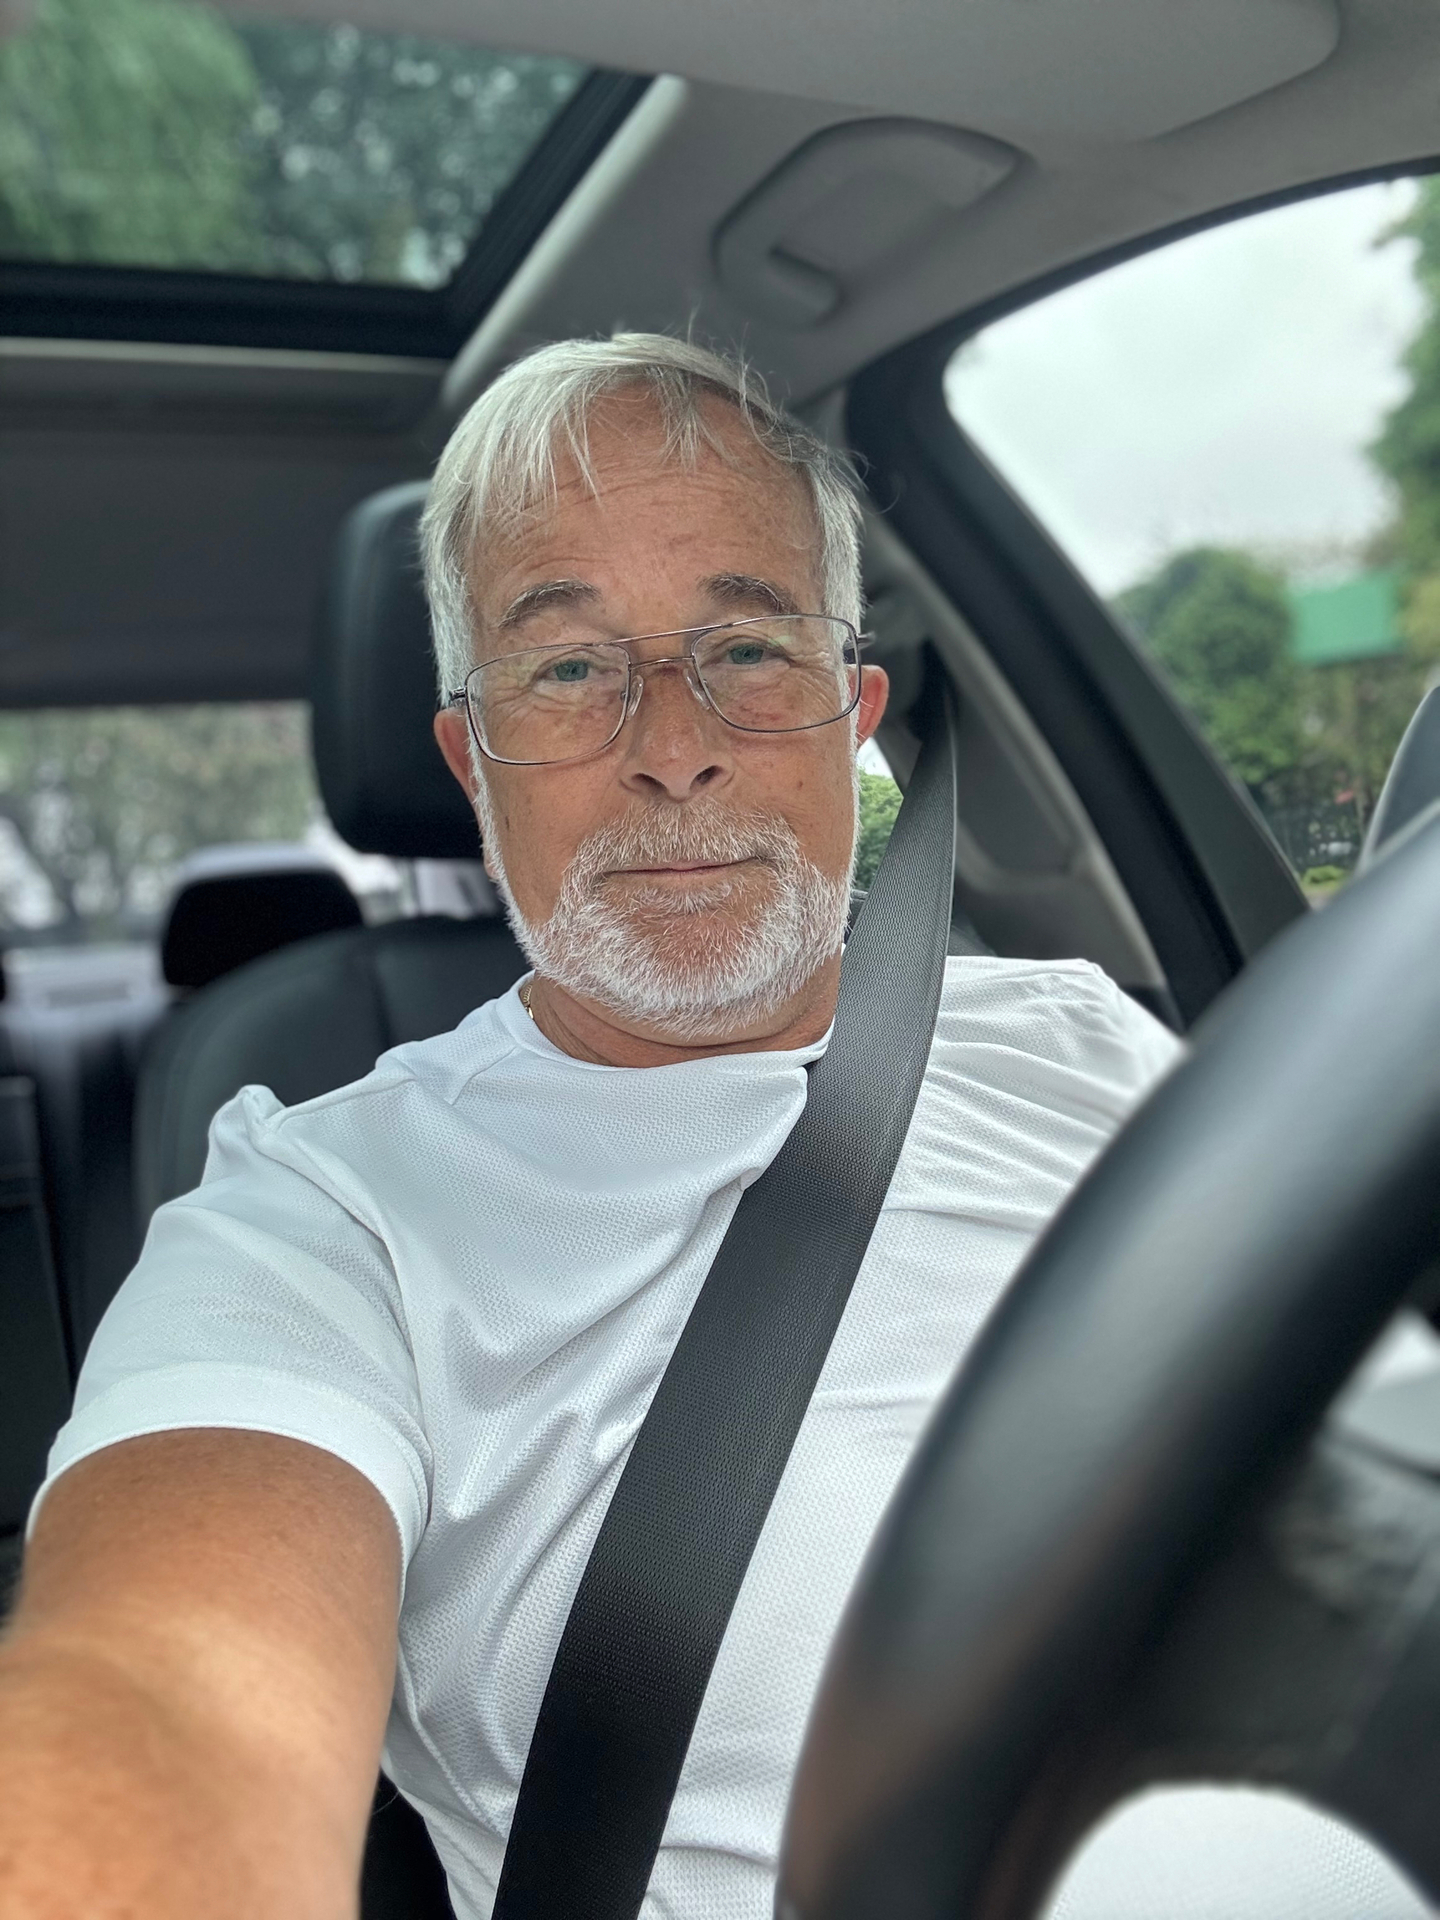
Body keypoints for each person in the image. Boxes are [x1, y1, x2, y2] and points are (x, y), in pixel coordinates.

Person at [0, 335, 1180, 1919]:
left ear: (855, 713)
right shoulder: (321, 1217)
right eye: (565, 669)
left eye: (748, 648)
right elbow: (169, 1693)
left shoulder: (1087, 1041)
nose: (673, 747)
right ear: (467, 761)